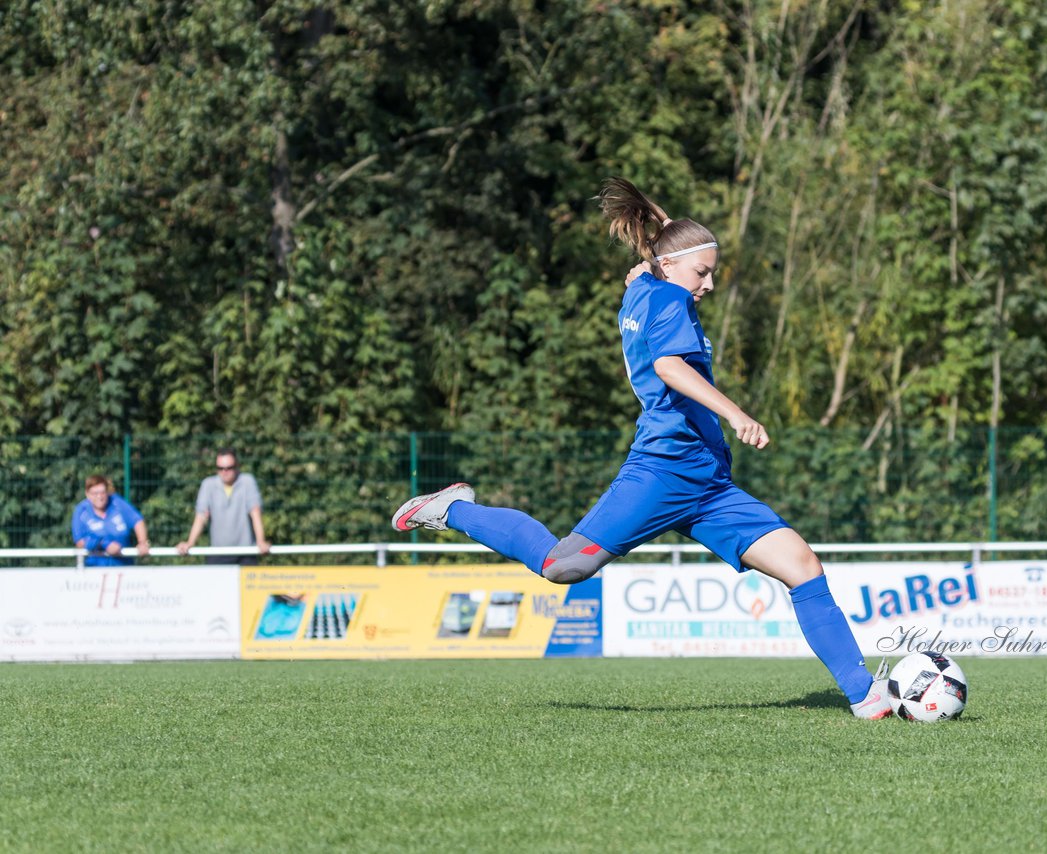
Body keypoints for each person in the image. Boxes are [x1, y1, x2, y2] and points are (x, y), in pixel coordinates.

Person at [392, 177, 890, 719]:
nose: (709, 284)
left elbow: (658, 264)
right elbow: (668, 366)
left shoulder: (646, 287)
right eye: (704, 273)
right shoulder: (672, 296)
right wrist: (737, 413)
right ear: (672, 266)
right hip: (661, 472)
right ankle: (452, 508)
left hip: (707, 482)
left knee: (801, 564)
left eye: (712, 274)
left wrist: (652, 260)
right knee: (563, 568)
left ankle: (866, 696)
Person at [175, 448, 270, 565]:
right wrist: (190, 542)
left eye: (229, 468)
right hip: (218, 553)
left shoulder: (247, 481)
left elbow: (255, 513)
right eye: (220, 468)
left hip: (246, 553)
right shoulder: (208, 485)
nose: (224, 472)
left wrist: (261, 541)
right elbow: (201, 517)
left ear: (237, 466)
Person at [71, 475, 150, 567]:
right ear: (87, 494)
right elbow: (79, 541)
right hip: (94, 571)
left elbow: (137, 520)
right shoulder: (81, 511)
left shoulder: (117, 503)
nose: (99, 497)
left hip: (123, 567)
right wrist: (104, 544)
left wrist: (142, 542)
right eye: (95, 493)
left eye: (102, 492)